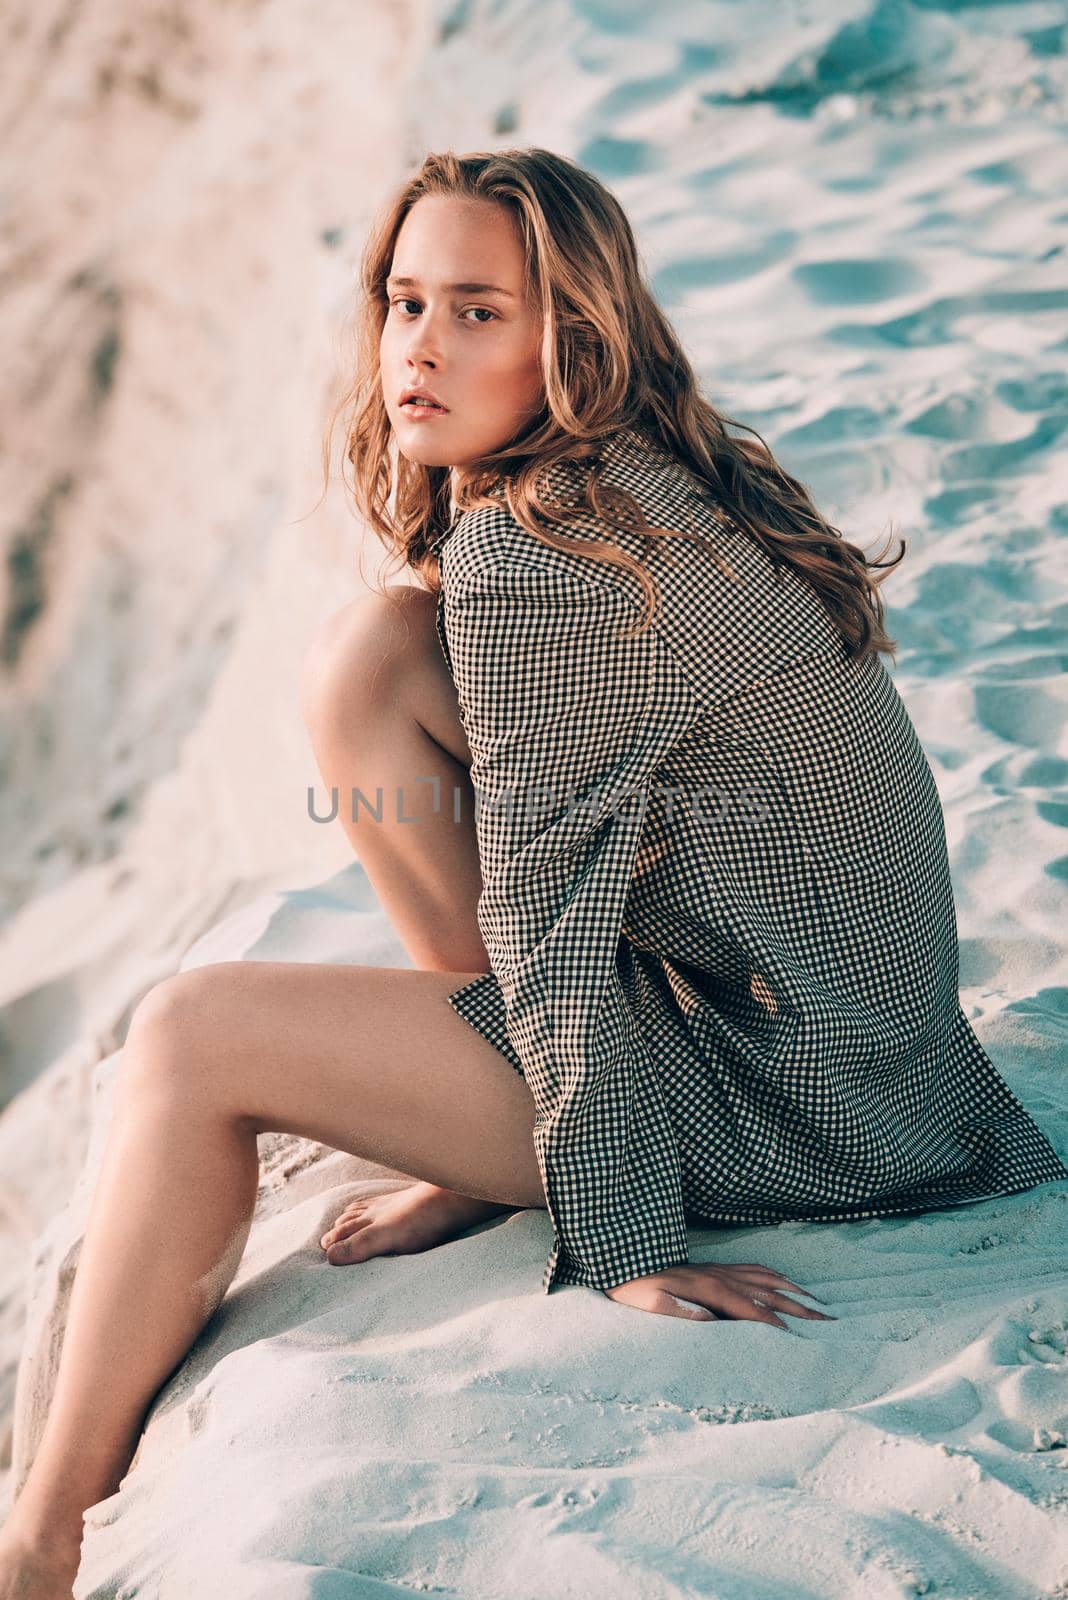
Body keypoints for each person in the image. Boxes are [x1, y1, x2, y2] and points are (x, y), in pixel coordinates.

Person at [3, 145, 1065, 1596]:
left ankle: (42, 1531)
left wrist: (622, 1236)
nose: (419, 351)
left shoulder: (540, 559)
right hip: (849, 1043)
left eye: (478, 313)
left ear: (574, 337)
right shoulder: (641, 478)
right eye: (404, 302)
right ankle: (486, 1137)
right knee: (374, 658)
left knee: (190, 1035)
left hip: (820, 1103)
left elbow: (555, 916)